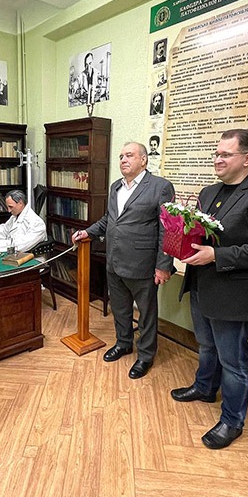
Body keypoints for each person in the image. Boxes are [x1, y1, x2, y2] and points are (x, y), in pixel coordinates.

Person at [171, 129, 248, 449]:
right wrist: (180, 240)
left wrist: (216, 255)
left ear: (247, 159)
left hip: (233, 295)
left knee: (234, 363)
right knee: (206, 346)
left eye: (225, 154)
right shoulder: (209, 192)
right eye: (216, 153)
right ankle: (205, 387)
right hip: (201, 285)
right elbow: (202, 233)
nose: (217, 159)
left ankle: (232, 421)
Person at [73, 142, 174, 379]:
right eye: (121, 156)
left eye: (129, 155)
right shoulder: (116, 186)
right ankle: (123, 343)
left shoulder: (160, 187)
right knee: (120, 309)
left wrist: (163, 265)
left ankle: (146, 356)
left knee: (146, 314)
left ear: (143, 160)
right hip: (114, 260)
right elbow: (109, 219)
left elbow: (168, 229)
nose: (123, 160)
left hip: (143, 263)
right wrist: (88, 232)